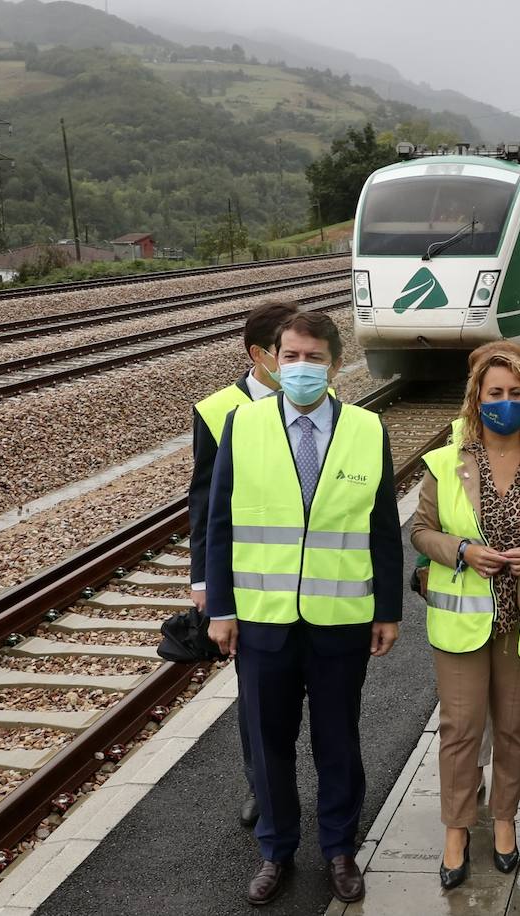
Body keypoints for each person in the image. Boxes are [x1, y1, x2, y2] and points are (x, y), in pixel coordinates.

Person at [205, 311, 403, 906]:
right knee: (268, 742)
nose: (300, 367)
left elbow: (382, 531)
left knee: (338, 739)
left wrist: (387, 609)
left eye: (313, 358)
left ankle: (340, 849)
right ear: (270, 359)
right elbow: (219, 524)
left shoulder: (368, 429)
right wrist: (221, 607)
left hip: (341, 618)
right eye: (290, 356)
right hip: (264, 618)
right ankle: (276, 849)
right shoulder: (243, 425)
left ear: (336, 365)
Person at [412, 346, 520, 890]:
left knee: (512, 728)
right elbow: (420, 531)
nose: (504, 403)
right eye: (494, 394)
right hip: (463, 621)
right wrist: (459, 550)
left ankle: (504, 819)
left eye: (514, 393)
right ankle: (457, 829)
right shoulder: (445, 461)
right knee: (460, 729)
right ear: (476, 400)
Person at [188, 299, 298, 830]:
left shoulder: (319, 398)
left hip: (312, 577)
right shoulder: (216, 411)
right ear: (260, 355)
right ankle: (262, 786)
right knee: (255, 695)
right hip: (249, 580)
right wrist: (204, 581)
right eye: (288, 352)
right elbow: (205, 503)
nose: (301, 364)